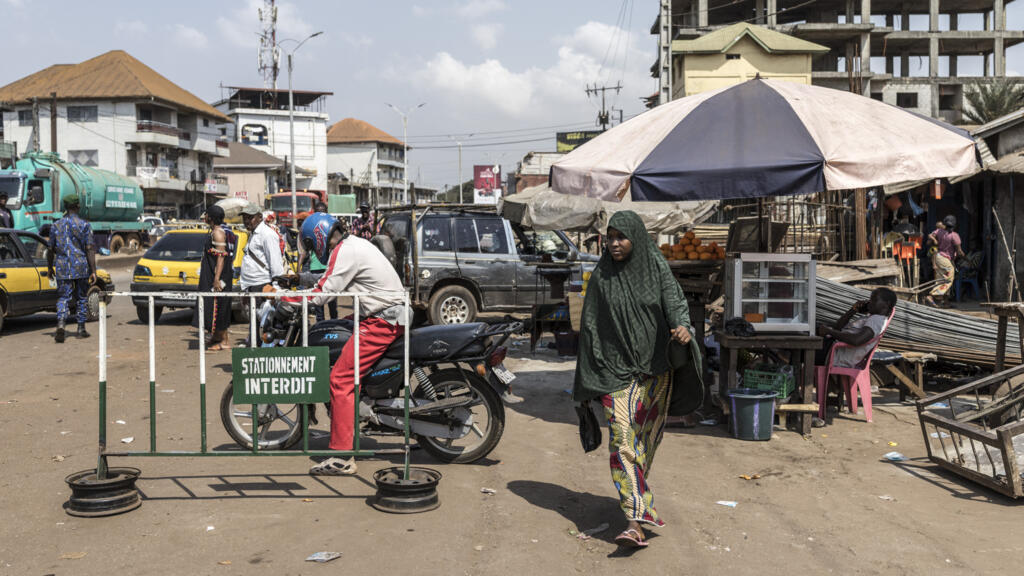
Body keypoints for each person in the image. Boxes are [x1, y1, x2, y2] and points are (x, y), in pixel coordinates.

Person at [573, 211, 702, 550]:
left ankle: (635, 496)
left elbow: (674, 300)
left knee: (644, 441)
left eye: (622, 237)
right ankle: (635, 521)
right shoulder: (601, 277)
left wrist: (682, 327)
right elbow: (590, 329)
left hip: (656, 372)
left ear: (636, 238)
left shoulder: (655, 267)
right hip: (615, 372)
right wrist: (590, 376)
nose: (614, 243)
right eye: (610, 237)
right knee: (622, 440)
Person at [300, 212, 406, 476]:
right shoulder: (355, 244)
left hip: (383, 320)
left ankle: (342, 457)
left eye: (312, 245)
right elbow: (330, 281)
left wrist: (285, 298)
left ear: (320, 237)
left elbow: (323, 294)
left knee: (341, 379)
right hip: (382, 313)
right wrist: (297, 284)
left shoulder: (345, 251)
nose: (313, 250)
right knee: (339, 329)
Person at [46, 194, 96, 343]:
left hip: (62, 266)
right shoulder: (85, 225)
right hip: (81, 266)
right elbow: (89, 249)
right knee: (81, 297)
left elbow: (50, 249)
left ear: (65, 207)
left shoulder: (56, 226)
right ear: (78, 206)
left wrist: (50, 267)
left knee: (63, 298)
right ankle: (81, 329)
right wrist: (93, 270)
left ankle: (61, 324)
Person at [815, 287, 897, 369]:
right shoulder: (871, 317)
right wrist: (853, 309)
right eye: (870, 299)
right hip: (831, 349)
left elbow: (856, 340)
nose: (870, 302)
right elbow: (838, 327)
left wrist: (829, 331)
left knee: (804, 346)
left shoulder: (877, 320)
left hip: (833, 355)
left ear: (887, 304)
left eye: (874, 300)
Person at [192, 206, 233, 351]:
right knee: (211, 305)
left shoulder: (218, 233)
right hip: (210, 274)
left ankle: (225, 341)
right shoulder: (213, 232)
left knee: (219, 307)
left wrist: (216, 279)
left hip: (219, 276)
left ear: (212, 217)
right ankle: (216, 337)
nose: (205, 217)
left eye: (207, 215)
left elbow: (221, 258)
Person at [298, 201, 337, 321]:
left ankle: (333, 325)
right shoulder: (310, 227)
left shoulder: (332, 227)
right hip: (315, 268)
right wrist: (298, 266)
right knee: (318, 303)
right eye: (318, 212)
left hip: (328, 269)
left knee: (332, 302)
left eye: (323, 212)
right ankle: (320, 326)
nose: (320, 214)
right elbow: (304, 249)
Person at [238, 203, 286, 292]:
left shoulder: (267, 234)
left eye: (250, 218)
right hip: (251, 286)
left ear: (260, 217)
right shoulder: (253, 233)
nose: (246, 221)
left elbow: (276, 264)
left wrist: (275, 289)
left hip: (263, 286)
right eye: (244, 218)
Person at [926, 215, 964, 307]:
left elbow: (929, 239)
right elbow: (959, 252)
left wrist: (934, 239)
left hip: (939, 257)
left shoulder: (938, 231)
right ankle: (932, 296)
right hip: (945, 259)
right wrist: (964, 256)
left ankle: (945, 302)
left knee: (941, 280)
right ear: (954, 225)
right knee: (948, 279)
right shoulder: (954, 235)